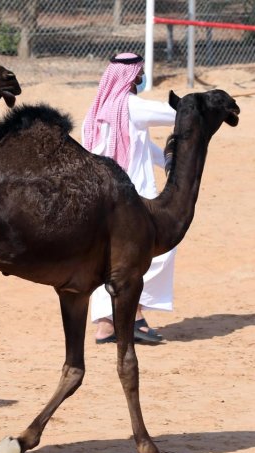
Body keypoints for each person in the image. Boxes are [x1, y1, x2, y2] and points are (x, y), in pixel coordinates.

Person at [82, 52, 177, 345]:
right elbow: (178, 114)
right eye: (140, 73)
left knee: (104, 259)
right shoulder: (132, 106)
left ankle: (105, 326)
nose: (141, 77)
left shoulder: (100, 108)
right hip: (133, 200)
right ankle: (134, 317)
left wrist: (172, 163)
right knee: (150, 254)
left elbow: (141, 146)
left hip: (100, 196)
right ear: (133, 76)